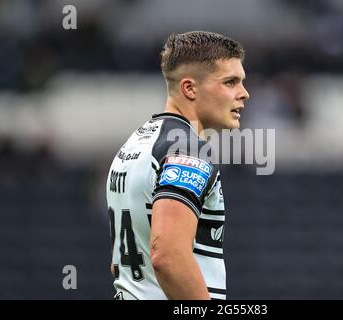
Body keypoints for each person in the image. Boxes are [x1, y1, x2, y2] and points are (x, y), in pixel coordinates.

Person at [106, 31, 250, 300]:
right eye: (230, 82)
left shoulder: (135, 143)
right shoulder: (188, 150)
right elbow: (167, 256)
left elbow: (119, 264)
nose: (244, 93)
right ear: (189, 88)